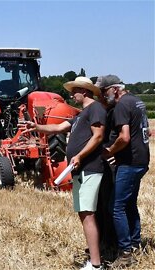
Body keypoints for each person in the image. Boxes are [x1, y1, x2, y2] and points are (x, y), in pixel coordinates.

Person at [25, 76, 106, 270]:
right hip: (81, 170)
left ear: (84, 91)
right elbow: (59, 127)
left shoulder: (95, 109)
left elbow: (98, 136)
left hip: (89, 168)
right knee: (84, 213)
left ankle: (96, 265)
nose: (71, 94)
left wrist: (79, 155)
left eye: (74, 91)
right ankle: (94, 256)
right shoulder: (81, 115)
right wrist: (37, 127)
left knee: (87, 214)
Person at [96, 75, 150, 268]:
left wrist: (110, 151)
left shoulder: (120, 106)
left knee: (116, 207)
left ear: (114, 89)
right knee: (129, 204)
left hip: (130, 162)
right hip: (142, 160)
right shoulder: (136, 101)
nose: (102, 96)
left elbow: (124, 137)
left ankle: (125, 253)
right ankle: (135, 243)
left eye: (104, 91)